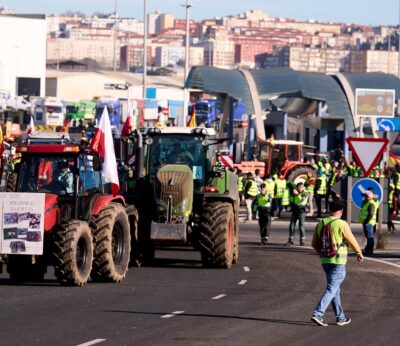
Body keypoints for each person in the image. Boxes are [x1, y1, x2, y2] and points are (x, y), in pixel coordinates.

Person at [310, 201, 363, 327]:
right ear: (341, 211)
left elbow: (313, 243)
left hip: (325, 260)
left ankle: (340, 317)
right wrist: (358, 253)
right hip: (338, 260)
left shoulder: (321, 223)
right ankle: (318, 313)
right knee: (331, 288)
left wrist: (322, 252)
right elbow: (351, 240)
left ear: (329, 210)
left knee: (335, 289)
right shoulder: (342, 223)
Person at [285, 182, 308, 246]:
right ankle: (290, 240)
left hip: (301, 210)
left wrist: (297, 194)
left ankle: (302, 241)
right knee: (292, 225)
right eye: (299, 187)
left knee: (301, 225)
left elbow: (301, 200)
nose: (300, 188)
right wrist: (293, 195)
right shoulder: (294, 193)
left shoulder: (305, 193)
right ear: (297, 187)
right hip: (295, 210)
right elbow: (291, 200)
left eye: (301, 187)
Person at [358, 190, 376, 256]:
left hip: (368, 223)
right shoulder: (367, 202)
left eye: (365, 196)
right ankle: (368, 250)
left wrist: (366, 221)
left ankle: (369, 250)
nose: (364, 197)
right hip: (367, 222)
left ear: (368, 197)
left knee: (369, 237)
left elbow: (371, 214)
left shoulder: (370, 203)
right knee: (369, 236)